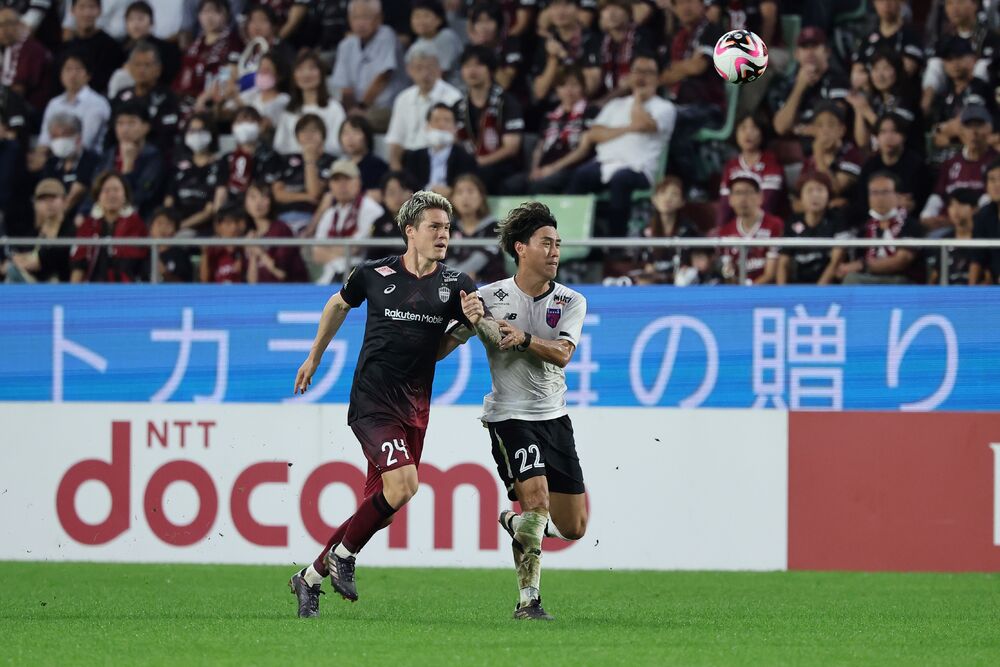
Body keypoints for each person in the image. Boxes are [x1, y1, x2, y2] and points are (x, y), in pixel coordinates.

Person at [287, 191, 481, 617]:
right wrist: (314, 356)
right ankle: (344, 556)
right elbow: (338, 304)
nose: (443, 235)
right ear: (410, 231)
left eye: (447, 228)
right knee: (405, 485)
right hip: (372, 401)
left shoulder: (457, 285)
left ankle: (310, 577)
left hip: (414, 407)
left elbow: (439, 350)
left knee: (385, 508)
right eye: (434, 227)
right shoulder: (373, 273)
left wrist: (469, 326)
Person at [449, 201, 589, 621]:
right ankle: (529, 601)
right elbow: (442, 347)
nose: (555, 251)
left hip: (554, 418)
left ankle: (518, 523)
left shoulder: (571, 300)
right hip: (509, 416)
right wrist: (469, 320)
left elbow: (563, 354)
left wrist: (524, 339)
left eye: (558, 244)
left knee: (574, 527)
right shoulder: (488, 297)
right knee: (538, 501)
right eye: (546, 243)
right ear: (520, 248)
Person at [566, 53, 676, 237]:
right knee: (580, 175)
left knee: (620, 180)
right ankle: (573, 236)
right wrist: (628, 128)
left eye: (648, 72)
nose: (641, 77)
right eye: (638, 71)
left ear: (658, 78)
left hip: (640, 168)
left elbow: (643, 124)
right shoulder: (615, 104)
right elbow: (594, 134)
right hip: (606, 163)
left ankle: (616, 241)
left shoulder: (665, 107)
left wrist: (638, 100)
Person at [506, 66, 598, 195]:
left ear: (583, 88)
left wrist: (553, 168)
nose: (569, 91)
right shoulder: (550, 115)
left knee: (540, 186)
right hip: (545, 167)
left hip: (571, 167)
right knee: (511, 185)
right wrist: (534, 169)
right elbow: (540, 147)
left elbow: (583, 150)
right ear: (557, 90)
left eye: (574, 85)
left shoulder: (591, 112)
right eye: (563, 85)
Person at [454, 45, 525, 193]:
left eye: (478, 65)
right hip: (470, 165)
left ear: (491, 70)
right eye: (467, 66)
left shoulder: (507, 102)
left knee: (482, 174)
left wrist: (480, 161)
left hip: (502, 166)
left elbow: (511, 147)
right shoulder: (458, 106)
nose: (472, 71)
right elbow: (455, 141)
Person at [328, 0, 407, 132]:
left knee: (361, 123)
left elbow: (383, 77)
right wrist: (352, 110)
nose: (360, 23)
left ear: (379, 18)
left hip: (387, 107)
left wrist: (361, 107)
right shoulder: (346, 45)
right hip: (357, 108)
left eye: (366, 17)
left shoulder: (387, 35)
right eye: (356, 18)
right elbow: (345, 88)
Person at [302, 158, 384, 284]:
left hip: (361, 279)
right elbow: (317, 253)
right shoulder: (330, 213)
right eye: (336, 180)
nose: (341, 185)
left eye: (347, 179)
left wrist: (329, 251)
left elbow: (355, 248)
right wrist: (342, 251)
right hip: (329, 278)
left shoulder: (371, 208)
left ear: (358, 181)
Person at [607, 175, 700, 285]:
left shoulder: (689, 230)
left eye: (674, 194)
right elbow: (642, 262)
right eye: (663, 193)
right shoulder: (646, 231)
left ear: (682, 201)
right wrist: (649, 270)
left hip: (680, 280)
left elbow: (697, 262)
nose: (667, 198)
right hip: (652, 279)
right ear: (654, 199)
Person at [385, 42, 462, 171]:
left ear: (439, 69)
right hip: (408, 160)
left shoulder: (453, 97)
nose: (425, 73)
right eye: (419, 68)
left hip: (439, 161)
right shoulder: (403, 98)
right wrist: (396, 169)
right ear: (409, 70)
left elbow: (457, 140)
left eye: (430, 67)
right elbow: (395, 139)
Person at [837, 171, 923, 284]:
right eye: (874, 193)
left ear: (898, 196)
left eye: (885, 192)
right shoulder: (863, 227)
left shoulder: (911, 224)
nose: (879, 198)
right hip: (868, 279)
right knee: (851, 279)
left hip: (899, 280)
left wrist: (862, 265)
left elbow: (902, 260)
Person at [920, 104, 997, 230]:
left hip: (982, 225)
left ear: (989, 129)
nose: (974, 132)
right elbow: (938, 195)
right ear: (960, 131)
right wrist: (927, 215)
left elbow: (993, 201)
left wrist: (957, 221)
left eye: (979, 125)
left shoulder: (996, 162)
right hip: (945, 223)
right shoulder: (950, 163)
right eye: (968, 126)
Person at [769, 27, 850, 138]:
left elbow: (832, 127)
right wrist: (799, 87)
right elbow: (781, 127)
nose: (810, 53)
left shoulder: (838, 79)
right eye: (805, 47)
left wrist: (799, 129)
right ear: (797, 54)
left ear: (827, 52)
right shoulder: (787, 84)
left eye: (815, 46)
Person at [70, 171, 148, 283]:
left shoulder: (137, 225)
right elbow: (78, 264)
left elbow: (140, 263)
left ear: (125, 195)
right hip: (92, 287)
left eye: (116, 190)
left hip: (127, 288)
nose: (112, 195)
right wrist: (75, 290)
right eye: (106, 190)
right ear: (98, 196)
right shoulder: (88, 225)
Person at [93, 101, 164, 219]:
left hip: (140, 216)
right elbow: (95, 188)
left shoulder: (154, 158)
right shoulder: (109, 155)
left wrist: (128, 166)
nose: (125, 129)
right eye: (120, 123)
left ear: (146, 127)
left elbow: (141, 196)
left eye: (131, 123)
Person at [111, 40, 182, 156]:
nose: (141, 70)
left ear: (158, 69)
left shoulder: (168, 97)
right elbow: (110, 132)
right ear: (130, 68)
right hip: (120, 154)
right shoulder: (121, 96)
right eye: (137, 65)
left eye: (147, 65)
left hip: (155, 155)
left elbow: (167, 134)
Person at [174, 0, 243, 114]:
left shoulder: (232, 42)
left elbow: (229, 73)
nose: (210, 17)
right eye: (205, 12)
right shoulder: (195, 44)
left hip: (211, 101)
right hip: (185, 98)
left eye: (216, 12)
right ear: (199, 16)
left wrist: (206, 96)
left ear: (226, 15)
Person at [273, 50, 346, 156]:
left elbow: (339, 145)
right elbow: (280, 146)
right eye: (300, 69)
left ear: (321, 73)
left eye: (312, 68)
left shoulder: (334, 108)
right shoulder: (289, 111)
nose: (306, 74)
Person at [856, 112, 931, 216]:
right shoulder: (869, 166)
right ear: (876, 137)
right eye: (883, 132)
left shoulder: (917, 165)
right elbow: (861, 201)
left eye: (895, 131)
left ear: (904, 136)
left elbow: (917, 201)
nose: (889, 137)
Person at [777, 172, 845, 285]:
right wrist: (782, 292)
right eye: (809, 190)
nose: (815, 195)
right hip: (798, 284)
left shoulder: (837, 220)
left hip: (829, 287)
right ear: (800, 197)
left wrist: (817, 292)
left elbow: (835, 261)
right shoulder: (792, 222)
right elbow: (783, 263)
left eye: (820, 190)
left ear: (829, 195)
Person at [716, 171, 783, 284]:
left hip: (766, 292)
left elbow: (770, 274)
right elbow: (728, 272)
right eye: (738, 193)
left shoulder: (775, 225)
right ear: (730, 199)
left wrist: (748, 291)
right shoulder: (725, 231)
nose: (743, 198)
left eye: (748, 192)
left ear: (760, 197)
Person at [717, 114, 785, 228]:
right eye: (743, 128)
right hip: (739, 227)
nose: (748, 133)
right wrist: (722, 231)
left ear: (762, 133)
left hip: (768, 226)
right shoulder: (730, 165)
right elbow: (725, 206)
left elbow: (768, 203)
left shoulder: (771, 162)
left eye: (754, 128)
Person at [272, 113, 335, 233]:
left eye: (313, 130)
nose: (308, 135)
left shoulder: (331, 162)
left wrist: (309, 160)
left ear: (323, 135)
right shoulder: (287, 160)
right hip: (281, 218)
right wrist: (306, 197)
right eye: (304, 131)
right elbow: (277, 194)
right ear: (297, 136)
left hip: (312, 218)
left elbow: (315, 192)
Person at [165, 113, 225, 236]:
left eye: (201, 130)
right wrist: (169, 224)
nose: (197, 135)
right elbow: (169, 201)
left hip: (203, 229)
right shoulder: (179, 166)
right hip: (175, 225)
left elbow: (210, 210)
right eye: (192, 130)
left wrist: (181, 226)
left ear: (211, 134)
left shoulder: (219, 166)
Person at [3, 178, 74, 283]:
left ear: (64, 201)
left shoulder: (71, 231)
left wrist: (24, 261)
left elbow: (39, 263)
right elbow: (19, 256)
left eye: (53, 197)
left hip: (59, 284)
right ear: (35, 204)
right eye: (43, 199)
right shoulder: (34, 233)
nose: (49, 203)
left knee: (12, 271)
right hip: (32, 281)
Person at [402, 102, 478, 198]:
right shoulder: (413, 157)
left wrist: (452, 192)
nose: (441, 125)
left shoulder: (466, 159)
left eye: (447, 120)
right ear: (427, 126)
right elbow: (408, 186)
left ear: (455, 128)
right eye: (436, 120)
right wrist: (428, 190)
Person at [38, 53, 111, 153]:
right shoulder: (54, 103)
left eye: (78, 69)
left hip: (87, 157)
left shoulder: (97, 103)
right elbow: (44, 140)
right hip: (53, 156)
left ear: (88, 75)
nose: (73, 75)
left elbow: (85, 142)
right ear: (61, 75)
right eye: (68, 69)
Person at [244, 179, 309, 283]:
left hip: (288, 290)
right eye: (253, 197)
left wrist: (260, 253)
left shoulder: (281, 229)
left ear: (271, 201)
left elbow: (281, 274)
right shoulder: (250, 235)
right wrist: (253, 255)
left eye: (264, 197)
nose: (258, 202)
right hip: (261, 291)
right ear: (245, 204)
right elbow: (252, 282)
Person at [38, 112, 101, 217]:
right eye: (55, 136)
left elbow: (78, 194)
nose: (59, 140)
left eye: (64, 135)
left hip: (83, 216)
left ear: (78, 137)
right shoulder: (51, 164)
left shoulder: (92, 161)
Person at [447, 173, 504, 283]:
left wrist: (457, 276)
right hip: (455, 285)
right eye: (459, 192)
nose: (465, 197)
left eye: (470, 191)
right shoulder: (449, 227)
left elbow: (482, 258)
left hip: (491, 285)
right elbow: (448, 259)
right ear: (452, 199)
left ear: (481, 196)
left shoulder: (494, 227)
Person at [217, 105, 282, 201]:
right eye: (240, 122)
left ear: (260, 126)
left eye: (249, 121)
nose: (244, 126)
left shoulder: (271, 157)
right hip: (232, 206)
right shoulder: (226, 159)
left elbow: (269, 190)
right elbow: (221, 192)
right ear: (233, 127)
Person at [60, 0, 124, 95]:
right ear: (72, 11)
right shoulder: (66, 47)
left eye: (91, 7)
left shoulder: (111, 47)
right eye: (82, 7)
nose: (87, 13)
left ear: (99, 11)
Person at [926, 188, 979, 284]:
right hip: (947, 290)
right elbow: (935, 274)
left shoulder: (982, 239)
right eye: (951, 205)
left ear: (974, 209)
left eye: (961, 204)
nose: (955, 210)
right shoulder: (945, 240)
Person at [406, 0, 463, 77]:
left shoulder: (446, 37)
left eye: (426, 16)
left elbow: (443, 72)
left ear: (439, 19)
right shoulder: (417, 44)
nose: (420, 21)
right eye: (417, 16)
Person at [338, 115, 388, 194]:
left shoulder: (378, 166)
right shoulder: (339, 166)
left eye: (355, 132)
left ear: (367, 136)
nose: (350, 138)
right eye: (345, 133)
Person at [200, 203, 248, 283]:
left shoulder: (246, 248)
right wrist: (205, 253)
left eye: (237, 222)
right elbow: (204, 280)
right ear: (218, 226)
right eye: (228, 223)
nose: (234, 227)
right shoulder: (211, 250)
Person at [970, 158, 1000, 284]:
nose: (997, 185)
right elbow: (977, 258)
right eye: (992, 180)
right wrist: (971, 290)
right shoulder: (983, 216)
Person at [146, 207, 193, 282]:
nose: (163, 228)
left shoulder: (180, 255)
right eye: (159, 223)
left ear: (175, 230)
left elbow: (184, 285)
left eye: (168, 224)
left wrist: (165, 274)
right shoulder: (142, 254)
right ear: (150, 228)